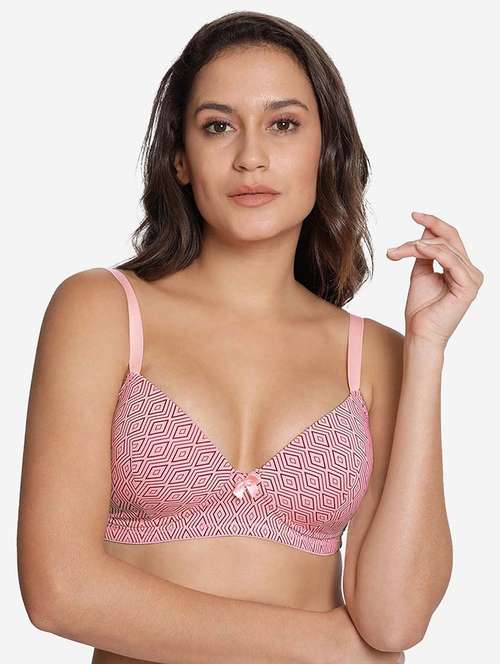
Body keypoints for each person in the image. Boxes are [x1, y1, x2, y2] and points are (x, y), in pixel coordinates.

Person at [17, 10, 483, 664]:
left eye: (283, 124)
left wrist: (427, 350)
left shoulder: (376, 356)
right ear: (180, 159)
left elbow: (395, 619)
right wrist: (328, 646)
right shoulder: (102, 311)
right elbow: (59, 591)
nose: (251, 157)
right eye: (218, 126)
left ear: (326, 150)